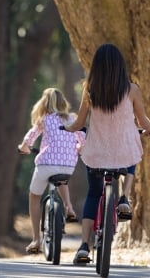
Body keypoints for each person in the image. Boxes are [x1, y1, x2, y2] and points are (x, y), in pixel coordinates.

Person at [62, 43, 150, 263]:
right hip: (123, 152)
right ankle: (124, 197)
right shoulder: (132, 90)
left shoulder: (90, 90)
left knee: (94, 193)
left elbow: (79, 123)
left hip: (97, 152)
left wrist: (68, 128)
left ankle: (83, 245)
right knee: (132, 151)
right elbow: (143, 121)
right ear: (120, 66)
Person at [17, 88, 86, 254]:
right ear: (63, 103)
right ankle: (69, 207)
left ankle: (36, 239)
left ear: (44, 103)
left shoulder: (44, 119)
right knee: (61, 180)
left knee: (34, 197)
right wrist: (77, 149)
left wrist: (24, 148)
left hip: (46, 164)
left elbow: (30, 138)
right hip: (68, 165)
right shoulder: (73, 119)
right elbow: (82, 140)